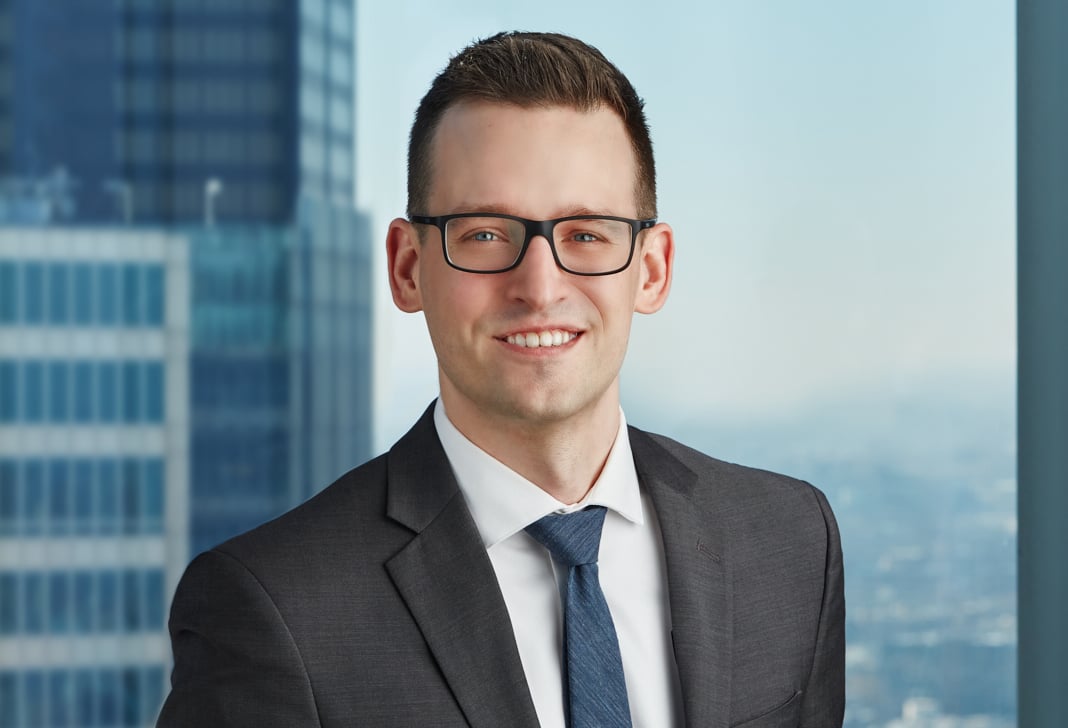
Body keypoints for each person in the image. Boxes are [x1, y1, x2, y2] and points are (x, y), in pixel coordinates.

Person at [158, 31, 844, 728]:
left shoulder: (790, 543)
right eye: (485, 234)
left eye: (586, 234)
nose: (540, 287)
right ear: (407, 267)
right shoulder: (275, 611)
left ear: (652, 268)